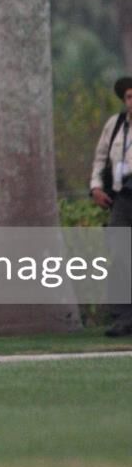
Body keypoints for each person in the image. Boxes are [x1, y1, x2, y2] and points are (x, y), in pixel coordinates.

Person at [90, 75, 132, 337]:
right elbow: (100, 159)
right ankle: (123, 318)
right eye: (129, 96)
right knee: (120, 256)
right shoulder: (115, 125)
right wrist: (96, 187)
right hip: (122, 197)